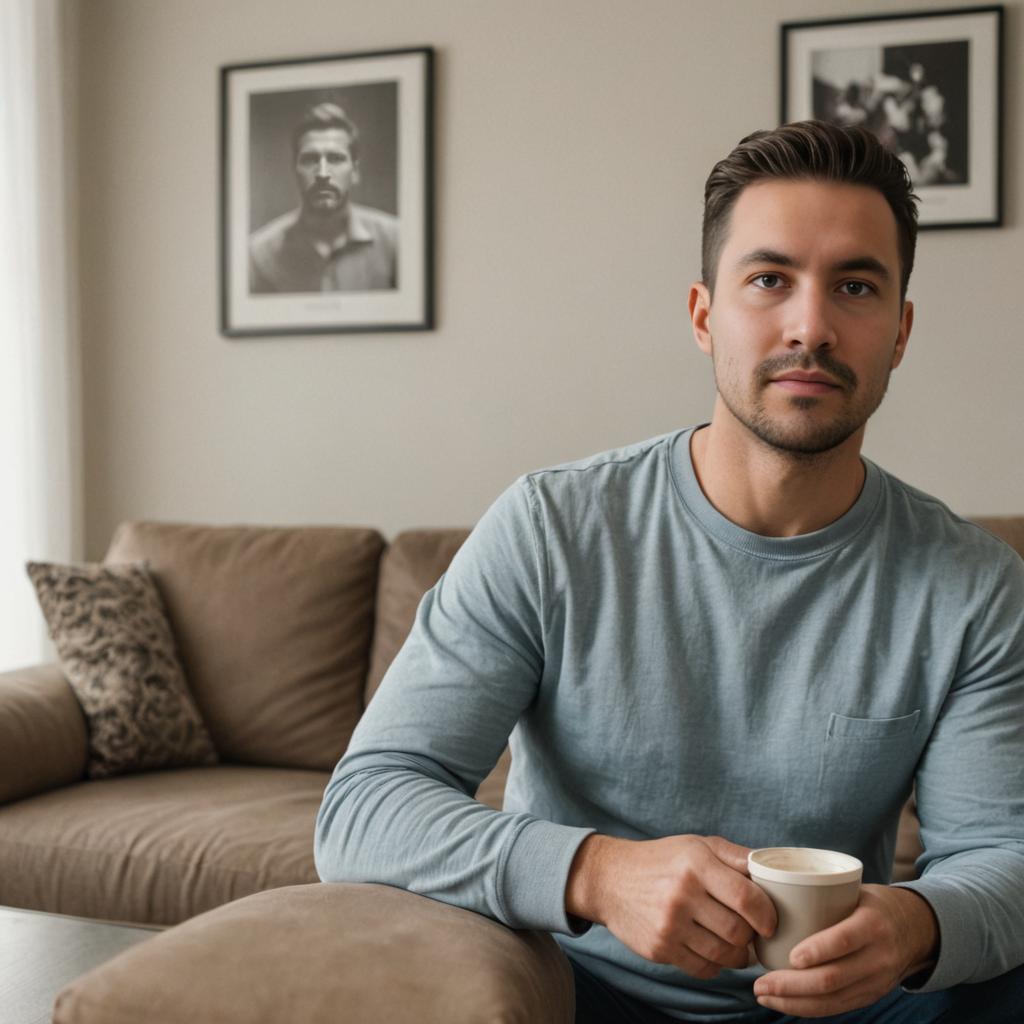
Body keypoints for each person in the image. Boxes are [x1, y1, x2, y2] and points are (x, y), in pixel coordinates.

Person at [315, 121, 1024, 1022]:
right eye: (769, 280)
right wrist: (597, 873)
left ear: (899, 331)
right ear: (703, 315)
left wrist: (918, 923)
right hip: (582, 990)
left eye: (855, 286)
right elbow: (363, 809)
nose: (811, 326)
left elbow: (1003, 855)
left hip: (852, 1004)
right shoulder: (551, 529)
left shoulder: (974, 586)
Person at [248, 102, 397, 294]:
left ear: (355, 171)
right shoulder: (257, 255)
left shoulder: (397, 242)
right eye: (310, 159)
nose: (323, 173)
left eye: (335, 158)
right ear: (295, 170)